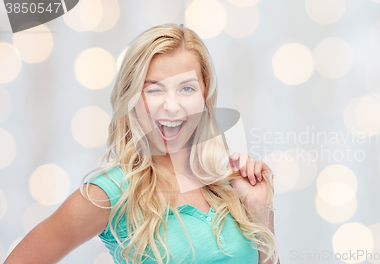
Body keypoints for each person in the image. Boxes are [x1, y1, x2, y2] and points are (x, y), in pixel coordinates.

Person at [5, 23, 279, 264]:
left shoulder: (229, 185)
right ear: (132, 98)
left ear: (205, 95)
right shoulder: (110, 192)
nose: (172, 107)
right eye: (154, 89)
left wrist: (259, 209)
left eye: (186, 88)